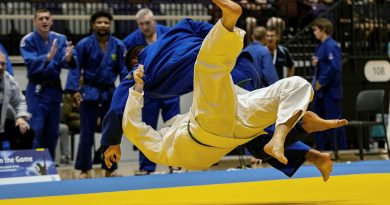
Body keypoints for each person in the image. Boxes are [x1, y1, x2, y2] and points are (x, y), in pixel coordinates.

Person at [111, 0, 314, 172]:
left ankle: (280, 136)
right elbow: (134, 127)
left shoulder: (163, 145)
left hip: (226, 130)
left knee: (296, 85)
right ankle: (227, 23)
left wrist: (136, 89)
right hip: (215, 125)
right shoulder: (173, 35)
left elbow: (131, 125)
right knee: (208, 67)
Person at [116, 8, 180, 175]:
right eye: (141, 24)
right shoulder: (131, 41)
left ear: (154, 21)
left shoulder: (168, 34)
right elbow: (126, 67)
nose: (145, 26)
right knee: (145, 127)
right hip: (148, 90)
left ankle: (176, 163)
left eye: (148, 23)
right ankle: (146, 167)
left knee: (174, 125)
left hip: (170, 86)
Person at [65, 11, 128, 179]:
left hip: (110, 93)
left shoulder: (118, 45)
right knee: (87, 132)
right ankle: (84, 169)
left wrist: (126, 91)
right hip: (90, 92)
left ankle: (110, 167)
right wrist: (73, 90)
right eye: (99, 22)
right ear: (93, 25)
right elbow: (76, 67)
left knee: (112, 131)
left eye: (106, 22)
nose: (102, 25)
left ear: (110, 25)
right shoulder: (85, 44)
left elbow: (123, 70)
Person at [20, 9, 76, 160]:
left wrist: (69, 58)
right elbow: (31, 64)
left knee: (52, 133)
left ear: (52, 21)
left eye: (47, 18)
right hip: (37, 90)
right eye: (40, 18)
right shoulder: (28, 40)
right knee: (36, 130)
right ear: (34, 22)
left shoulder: (60, 38)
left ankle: (48, 168)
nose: (44, 21)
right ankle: (32, 168)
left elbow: (67, 62)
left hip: (54, 90)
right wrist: (48, 57)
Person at [311, 18, 347, 151]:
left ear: (323, 30)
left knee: (334, 121)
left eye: (316, 30)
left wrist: (321, 82)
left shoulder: (332, 45)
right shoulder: (320, 46)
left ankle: (341, 151)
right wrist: (314, 63)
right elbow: (322, 65)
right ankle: (320, 150)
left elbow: (334, 67)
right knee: (317, 122)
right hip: (320, 92)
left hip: (330, 91)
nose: (314, 32)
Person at [0, 52, 34, 151]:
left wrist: (21, 118)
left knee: (26, 132)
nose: (0, 67)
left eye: (3, 64)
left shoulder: (9, 79)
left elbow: (19, 101)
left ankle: (20, 161)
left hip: (2, 124)